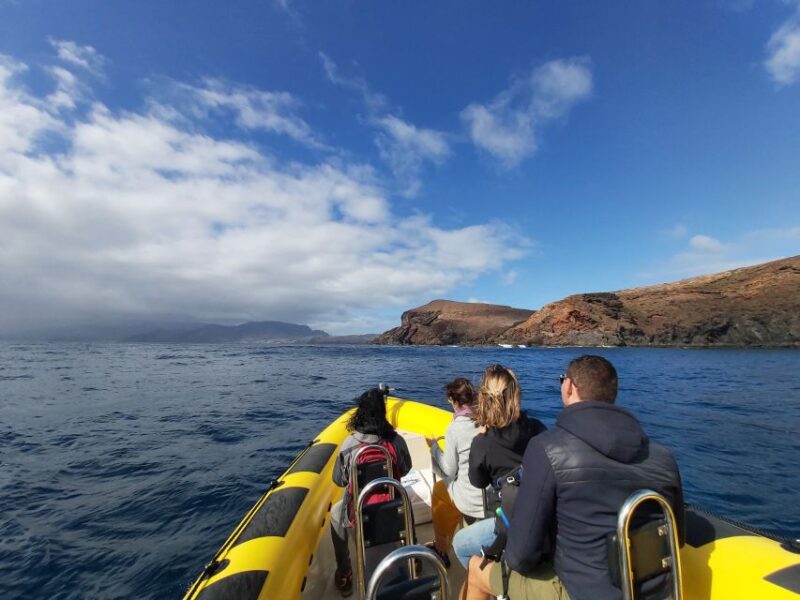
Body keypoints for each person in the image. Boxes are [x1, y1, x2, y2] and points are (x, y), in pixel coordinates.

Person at [461, 355, 684, 600]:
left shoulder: (548, 450)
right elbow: (677, 540)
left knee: (475, 569)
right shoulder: (665, 459)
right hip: (650, 592)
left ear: (568, 387)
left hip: (577, 591)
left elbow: (520, 557)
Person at [452, 364, 547, 569]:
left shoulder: (482, 443)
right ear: (516, 396)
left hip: (512, 524)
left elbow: (478, 481)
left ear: (484, 400)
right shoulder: (538, 429)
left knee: (459, 544)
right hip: (543, 519)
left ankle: (493, 583)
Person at [330, 387, 413, 597]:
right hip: (392, 506)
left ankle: (345, 572)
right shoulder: (396, 441)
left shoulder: (349, 445)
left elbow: (339, 480)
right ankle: (414, 558)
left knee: (334, 516)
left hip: (359, 511)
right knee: (407, 505)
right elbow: (406, 468)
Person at [424, 377, 485, 567]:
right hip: (488, 496)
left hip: (471, 499)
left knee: (439, 491)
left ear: (454, 400)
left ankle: (442, 549)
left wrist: (434, 447)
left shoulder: (455, 428)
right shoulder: (484, 421)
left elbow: (449, 469)